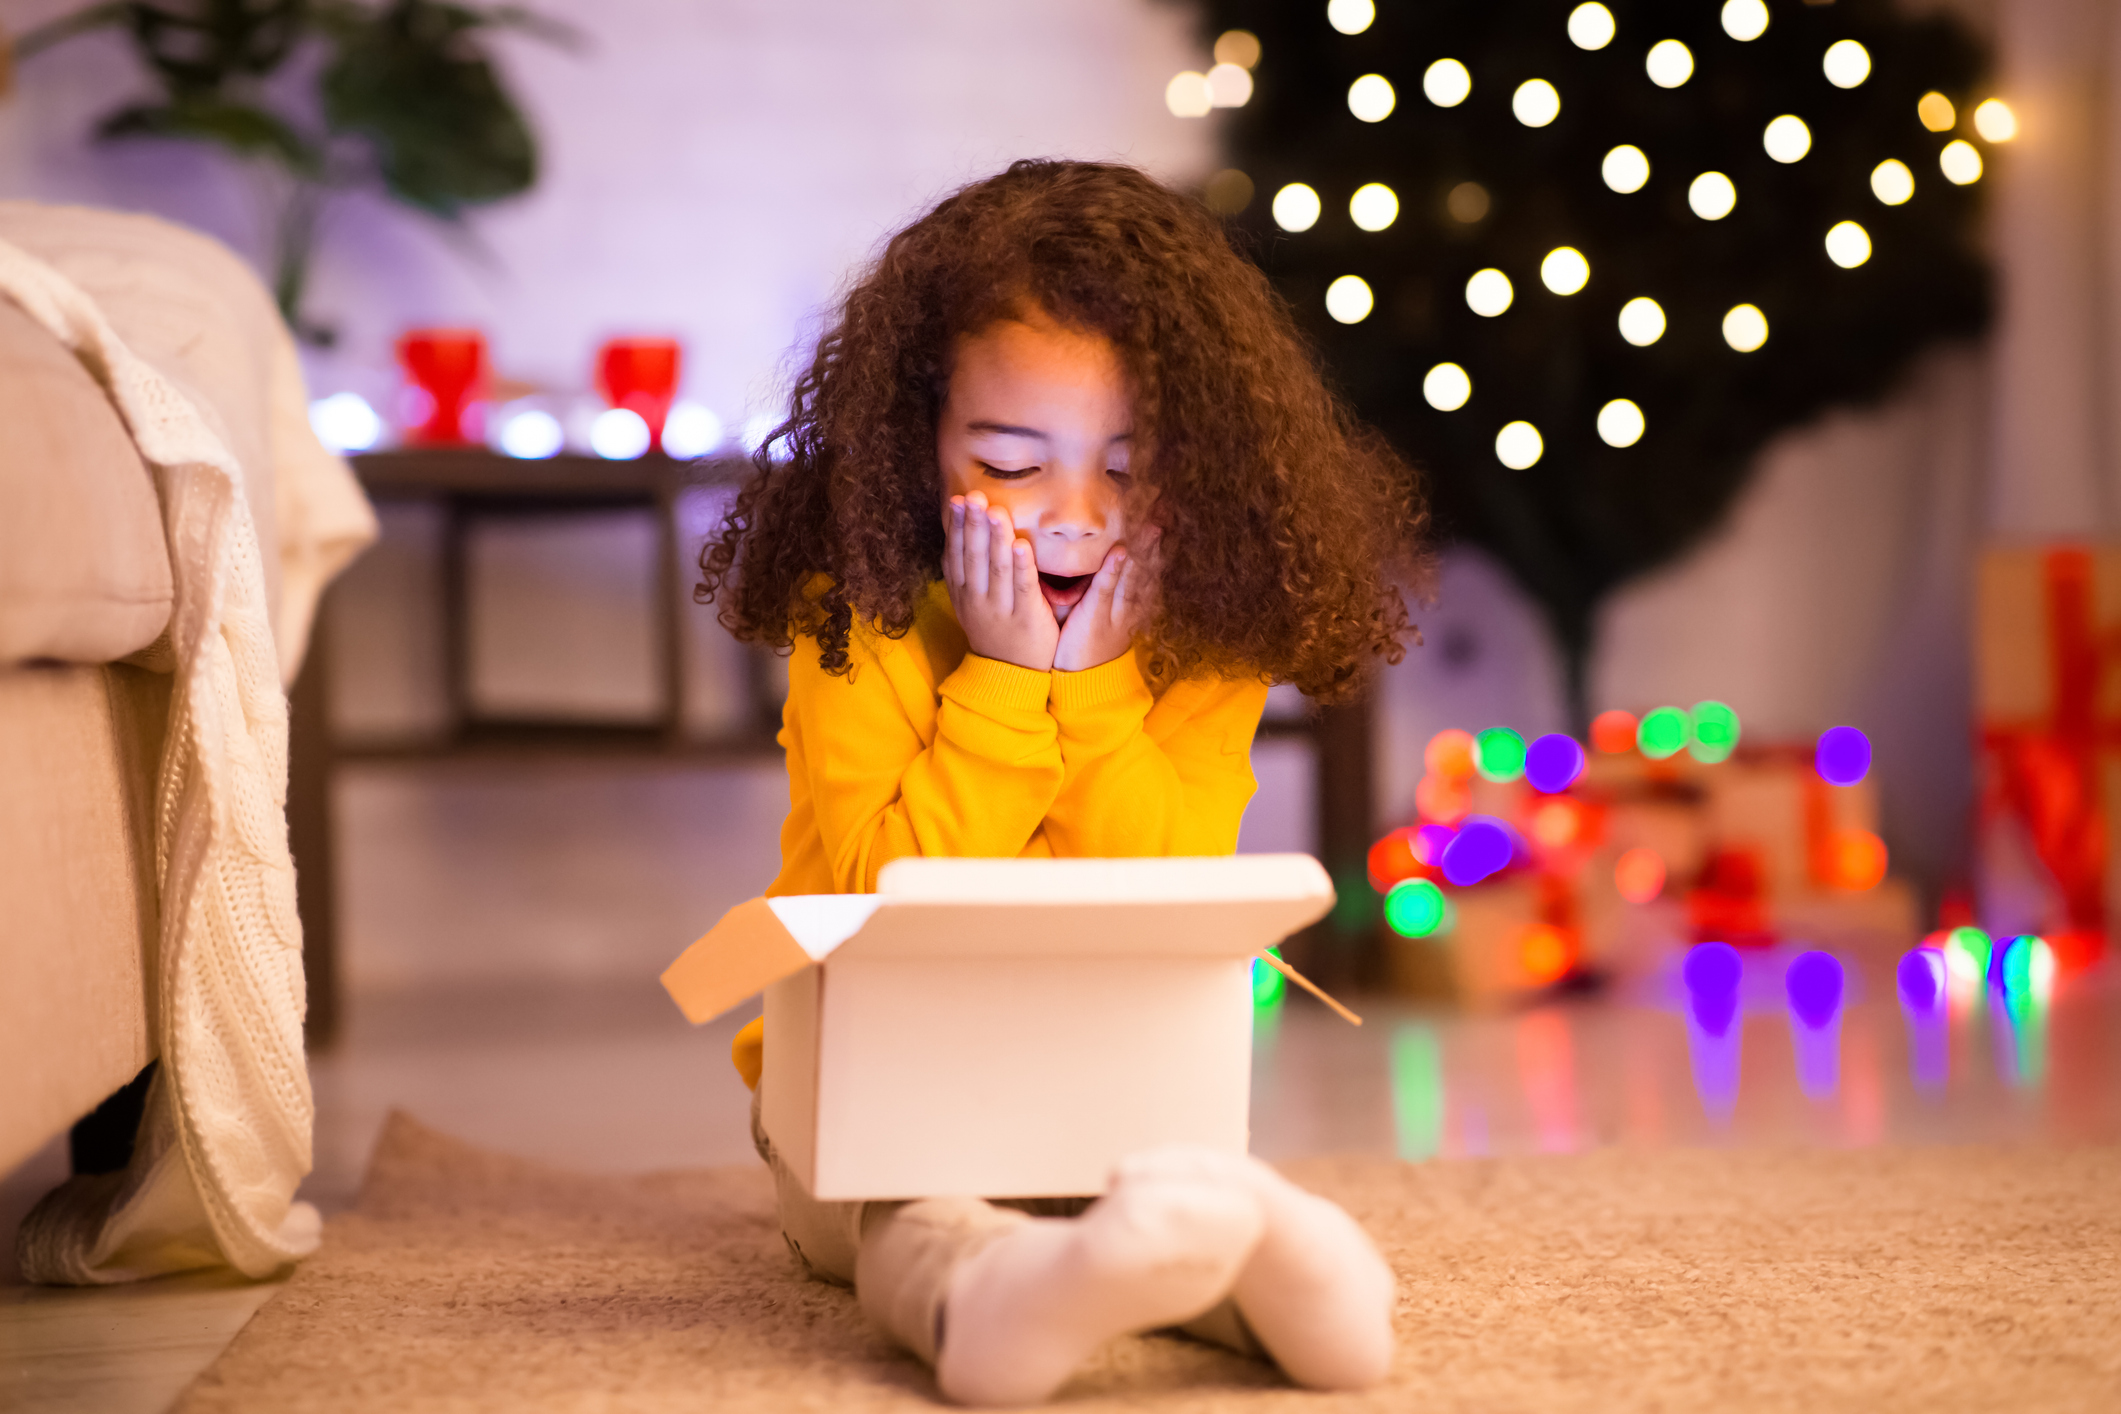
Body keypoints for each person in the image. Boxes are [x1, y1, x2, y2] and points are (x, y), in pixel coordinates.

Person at [697, 159, 1423, 1406]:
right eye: (1010, 462)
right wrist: (1002, 675)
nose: (1076, 518)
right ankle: (989, 1297)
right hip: (870, 1090)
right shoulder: (855, 618)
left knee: (1165, 1186)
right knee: (913, 1211)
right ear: (918, 445)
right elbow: (880, 897)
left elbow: (1162, 889)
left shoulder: (1207, 640)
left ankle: (1269, 1263)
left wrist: (1087, 688)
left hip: (1106, 1077)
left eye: (1131, 468)